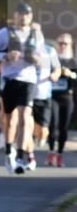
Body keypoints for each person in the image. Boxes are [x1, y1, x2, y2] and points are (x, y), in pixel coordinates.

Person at [0, 3, 43, 175]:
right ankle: (9, 151)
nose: (24, 17)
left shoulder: (36, 34)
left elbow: (42, 58)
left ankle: (20, 155)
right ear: (15, 15)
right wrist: (5, 55)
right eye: (21, 13)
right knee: (10, 119)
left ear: (31, 16)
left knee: (25, 116)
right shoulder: (5, 33)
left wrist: (36, 59)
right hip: (10, 79)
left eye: (27, 14)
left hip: (28, 80)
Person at [31, 39, 61, 164]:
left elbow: (57, 68)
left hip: (44, 95)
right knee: (28, 124)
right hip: (28, 95)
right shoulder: (24, 49)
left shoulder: (49, 50)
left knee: (43, 130)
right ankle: (29, 155)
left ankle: (40, 136)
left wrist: (55, 74)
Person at [48, 34, 75, 167]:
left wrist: (71, 74)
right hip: (53, 96)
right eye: (60, 43)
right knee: (53, 124)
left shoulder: (73, 61)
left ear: (70, 45)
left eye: (66, 44)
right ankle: (51, 151)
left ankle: (60, 154)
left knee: (63, 128)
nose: (63, 46)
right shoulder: (53, 59)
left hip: (67, 97)